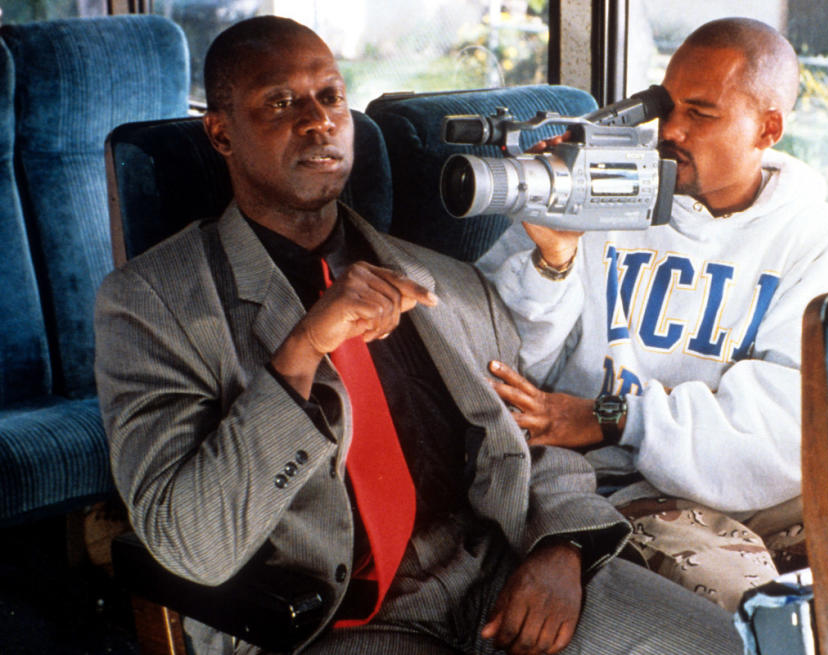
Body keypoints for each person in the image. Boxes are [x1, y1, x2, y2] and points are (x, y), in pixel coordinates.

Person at [94, 15, 744, 655]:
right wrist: (302, 350)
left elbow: (532, 437)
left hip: (494, 575)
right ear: (221, 131)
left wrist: (561, 546)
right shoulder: (151, 304)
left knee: (711, 641)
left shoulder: (446, 280)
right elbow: (188, 541)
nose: (317, 120)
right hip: (342, 617)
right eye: (281, 102)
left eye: (331, 98)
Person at [477, 17, 828, 611]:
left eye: (702, 113)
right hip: (626, 482)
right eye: (667, 105)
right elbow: (508, 363)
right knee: (746, 593)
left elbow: (781, 424)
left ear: (769, 128)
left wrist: (613, 415)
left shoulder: (822, 241)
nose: (673, 129)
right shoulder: (596, 191)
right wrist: (553, 259)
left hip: (760, 480)